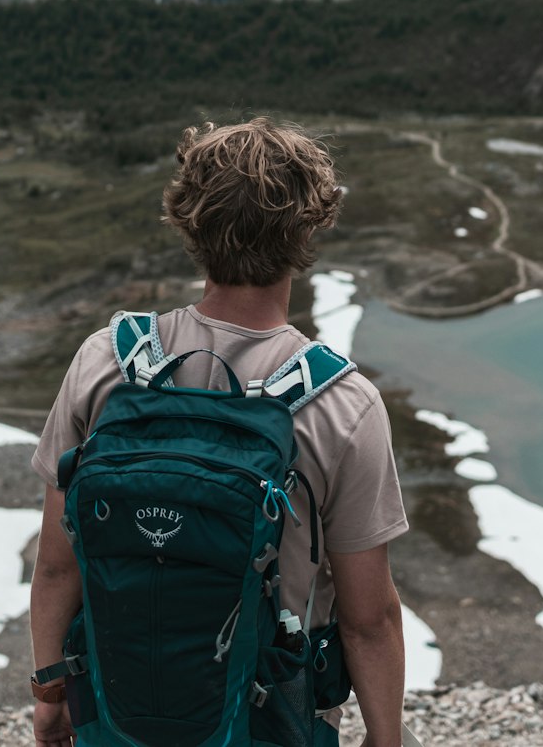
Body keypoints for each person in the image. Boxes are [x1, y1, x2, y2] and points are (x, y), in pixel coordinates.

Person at [29, 117, 408, 747]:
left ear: (189, 223)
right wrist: (385, 737)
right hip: (268, 724)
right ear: (308, 227)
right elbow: (369, 621)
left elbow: (55, 567)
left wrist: (50, 695)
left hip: (118, 719)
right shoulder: (345, 405)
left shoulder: (105, 361)